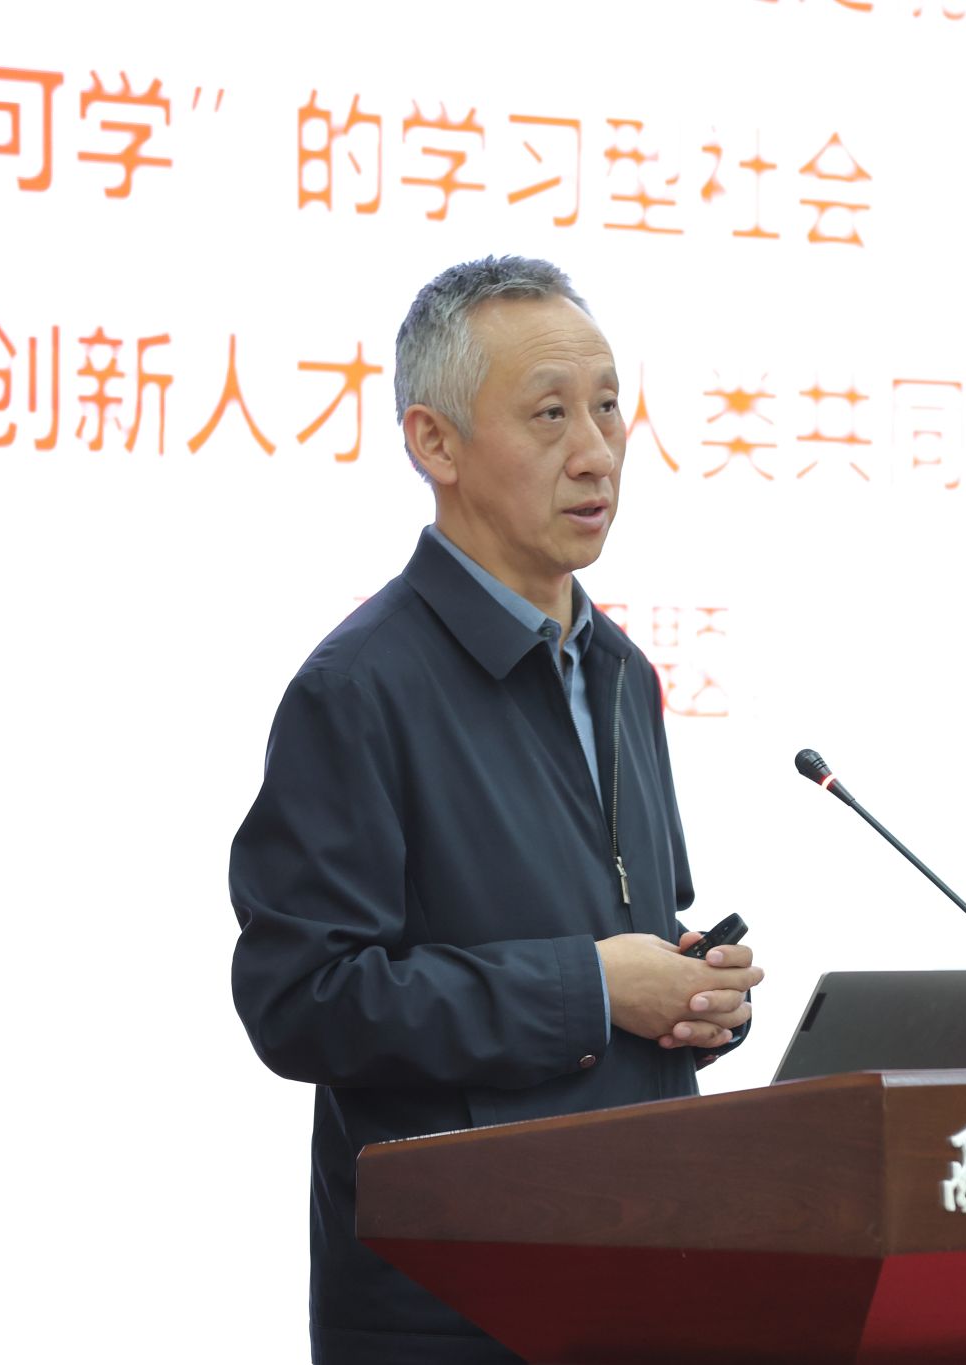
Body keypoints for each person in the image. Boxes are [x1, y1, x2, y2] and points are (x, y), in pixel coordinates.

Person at [228, 255, 763, 1365]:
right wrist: (592, 990)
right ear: (435, 443)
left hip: (641, 1275)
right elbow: (304, 1001)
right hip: (457, 1309)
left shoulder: (622, 672)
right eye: (550, 414)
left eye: (608, 406)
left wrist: (691, 992)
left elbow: (624, 927)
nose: (597, 450)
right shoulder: (358, 690)